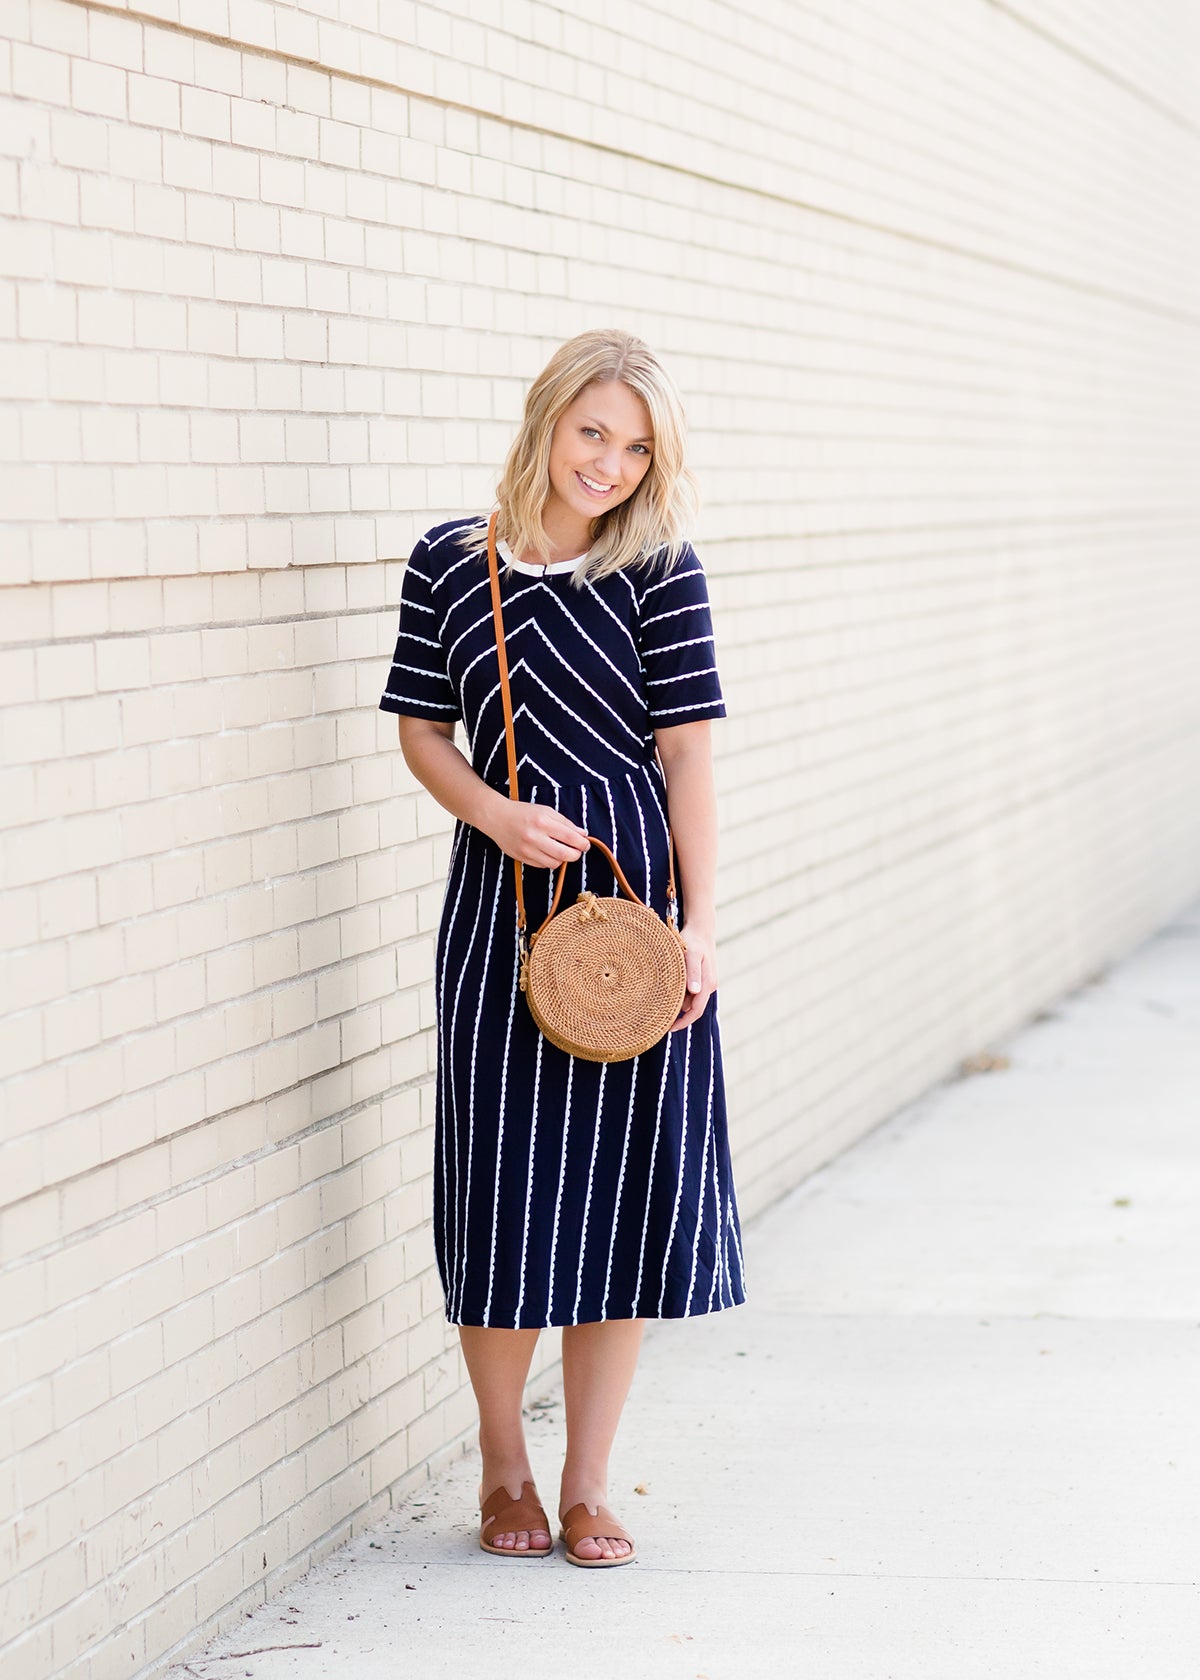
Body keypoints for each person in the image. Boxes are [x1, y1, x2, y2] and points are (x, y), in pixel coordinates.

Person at [379, 327, 745, 1568]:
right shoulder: (449, 561)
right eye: (595, 431)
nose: (611, 463)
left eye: (636, 447)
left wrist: (699, 926)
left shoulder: (660, 572)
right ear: (546, 420)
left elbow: (688, 750)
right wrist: (491, 810)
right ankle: (502, 1465)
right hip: (500, 906)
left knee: (625, 1198)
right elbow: (425, 730)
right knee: (505, 1194)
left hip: (636, 910)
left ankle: (589, 1483)